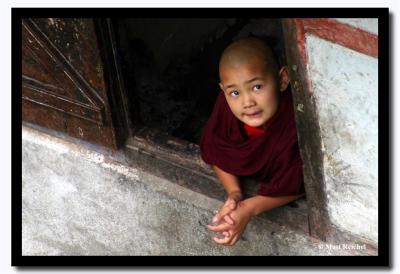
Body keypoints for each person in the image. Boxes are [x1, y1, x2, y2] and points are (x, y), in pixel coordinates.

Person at [199, 37, 305, 246]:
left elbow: (300, 180)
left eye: (256, 87)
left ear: (283, 79)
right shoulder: (227, 108)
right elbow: (214, 149)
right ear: (224, 91)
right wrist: (234, 193)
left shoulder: (297, 117)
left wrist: (250, 208)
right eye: (235, 92)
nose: (247, 102)